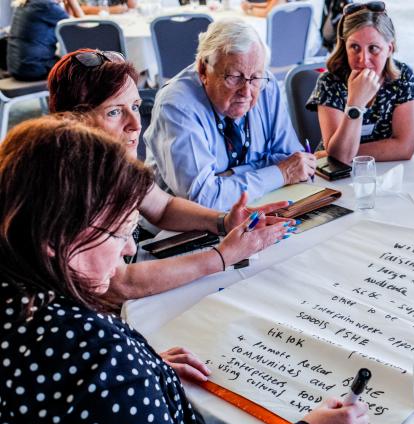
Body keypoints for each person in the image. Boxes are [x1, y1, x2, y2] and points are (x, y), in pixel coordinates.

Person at [0, 116, 369, 424]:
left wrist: (139, 378)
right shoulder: (87, 354)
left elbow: (70, 405)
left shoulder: (21, 297)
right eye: (119, 233)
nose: (128, 250)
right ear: (57, 238)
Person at [48, 49, 295, 302]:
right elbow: (119, 284)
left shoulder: (115, 161)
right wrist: (223, 256)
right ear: (70, 121)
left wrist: (224, 221)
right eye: (114, 112)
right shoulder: (68, 185)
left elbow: (163, 207)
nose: (135, 123)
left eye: (135, 106)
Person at [145, 18, 315, 210]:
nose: (247, 91)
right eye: (234, 77)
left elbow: (295, 162)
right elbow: (203, 200)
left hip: (261, 209)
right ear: (203, 70)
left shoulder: (267, 84)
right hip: (182, 232)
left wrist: (226, 178)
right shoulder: (177, 105)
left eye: (255, 77)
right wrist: (279, 174)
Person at [306, 0, 414, 164]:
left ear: (389, 49)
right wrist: (356, 103)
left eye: (373, 48)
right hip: (335, 176)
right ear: (345, 46)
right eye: (354, 47)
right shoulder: (330, 82)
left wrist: (344, 153)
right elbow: (339, 159)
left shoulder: (402, 77)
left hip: (385, 174)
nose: (363, 59)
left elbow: (405, 147)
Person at [6, 0, 83, 81]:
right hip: (34, 69)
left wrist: (67, 4)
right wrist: (72, 2)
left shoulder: (30, 3)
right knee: (80, 67)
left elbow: (67, 22)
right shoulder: (45, 5)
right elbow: (83, 26)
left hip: (20, 68)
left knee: (70, 60)